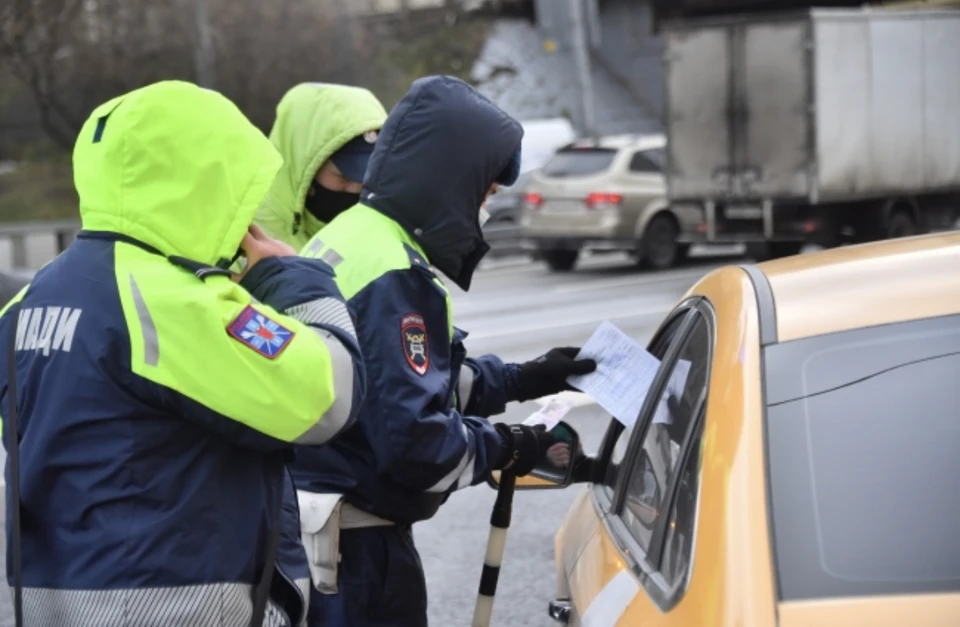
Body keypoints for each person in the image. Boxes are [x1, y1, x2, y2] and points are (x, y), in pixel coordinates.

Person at [0, 81, 366, 627]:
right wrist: (296, 280)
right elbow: (329, 397)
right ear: (202, 182)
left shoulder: (30, 300)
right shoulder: (173, 303)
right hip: (172, 601)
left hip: (57, 600)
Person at [290, 75, 597, 627]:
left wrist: (526, 378)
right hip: (357, 552)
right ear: (450, 181)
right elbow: (416, 442)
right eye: (485, 192)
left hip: (319, 536)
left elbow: (388, 384)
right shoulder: (394, 275)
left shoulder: (352, 237)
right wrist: (506, 445)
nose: (483, 207)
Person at [253, 82, 388, 250]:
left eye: (366, 178)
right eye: (344, 178)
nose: (356, 189)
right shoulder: (248, 230)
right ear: (304, 166)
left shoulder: (382, 234)